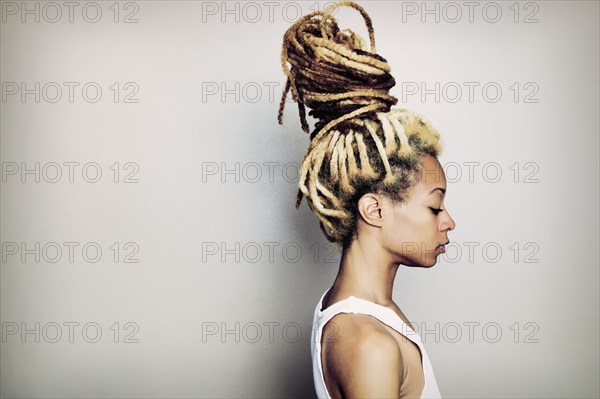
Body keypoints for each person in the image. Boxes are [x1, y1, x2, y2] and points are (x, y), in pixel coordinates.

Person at [277, 1, 456, 398]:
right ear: (374, 208)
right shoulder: (368, 344)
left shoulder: (360, 313)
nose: (448, 222)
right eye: (434, 206)